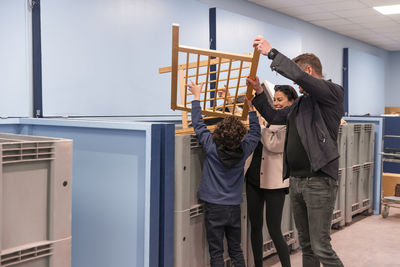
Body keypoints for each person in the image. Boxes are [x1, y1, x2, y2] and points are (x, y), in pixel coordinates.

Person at [247, 36, 345, 267]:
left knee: (321, 246)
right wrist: (260, 92)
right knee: (307, 246)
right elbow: (275, 117)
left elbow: (299, 77)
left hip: (319, 180)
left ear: (310, 70)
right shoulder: (302, 104)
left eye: (299, 76)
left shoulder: (333, 93)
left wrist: (272, 53)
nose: (296, 83)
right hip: (298, 180)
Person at [187, 80, 261, 267]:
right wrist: (251, 110)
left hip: (214, 206)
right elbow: (255, 134)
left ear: (218, 132)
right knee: (236, 249)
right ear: (240, 135)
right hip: (233, 206)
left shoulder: (211, 147)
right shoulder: (244, 149)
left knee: (216, 252)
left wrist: (196, 96)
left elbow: (198, 124)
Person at [246, 85, 298, 267]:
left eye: (280, 100)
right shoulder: (270, 119)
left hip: (274, 182)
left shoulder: (289, 121)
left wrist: (257, 125)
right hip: (253, 179)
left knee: (274, 229)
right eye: (274, 99)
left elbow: (273, 144)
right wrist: (229, 100)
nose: (276, 103)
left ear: (291, 103)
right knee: (255, 226)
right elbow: (250, 116)